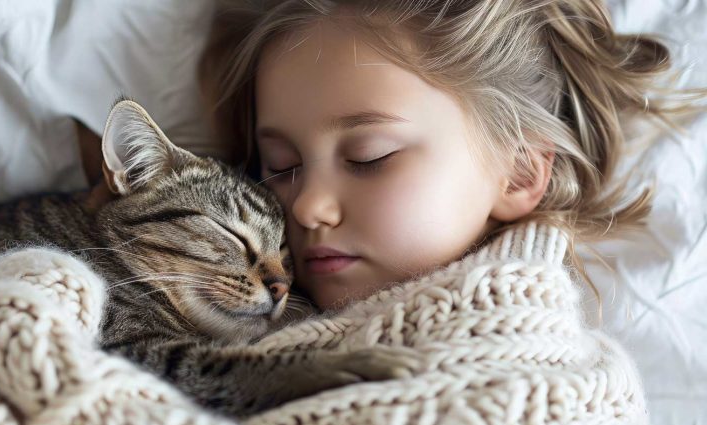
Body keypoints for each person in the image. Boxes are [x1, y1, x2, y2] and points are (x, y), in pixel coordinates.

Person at [198, 0, 695, 310]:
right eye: (281, 167)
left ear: (518, 172)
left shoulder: (530, 372)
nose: (307, 206)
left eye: (370, 157)